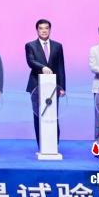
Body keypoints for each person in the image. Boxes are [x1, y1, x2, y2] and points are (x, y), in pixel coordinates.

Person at [25, 19, 65, 148]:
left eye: (46, 28)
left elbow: (61, 67)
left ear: (50, 30)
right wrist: (42, 67)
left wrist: (62, 87)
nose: (44, 31)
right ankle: (42, 145)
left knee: (53, 114)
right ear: (37, 30)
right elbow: (30, 61)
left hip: (53, 87)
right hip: (36, 85)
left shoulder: (58, 46)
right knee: (38, 115)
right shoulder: (30, 45)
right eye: (41, 28)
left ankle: (53, 145)